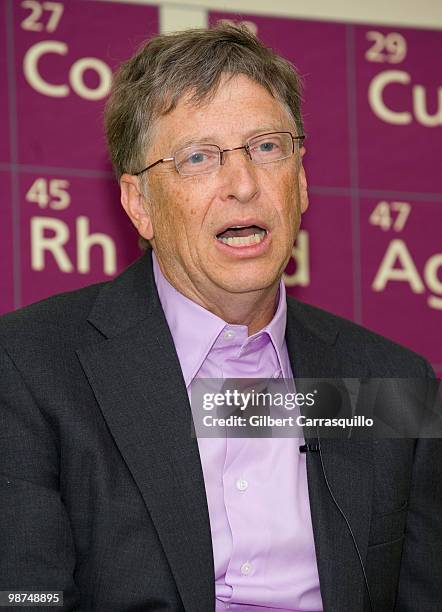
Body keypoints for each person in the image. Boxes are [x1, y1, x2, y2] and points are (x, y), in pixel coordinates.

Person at [0, 24, 440, 612]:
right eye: (199, 157)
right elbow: (27, 597)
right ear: (140, 204)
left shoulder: (390, 382)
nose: (243, 184)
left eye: (266, 147)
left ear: (301, 178)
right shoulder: (31, 366)